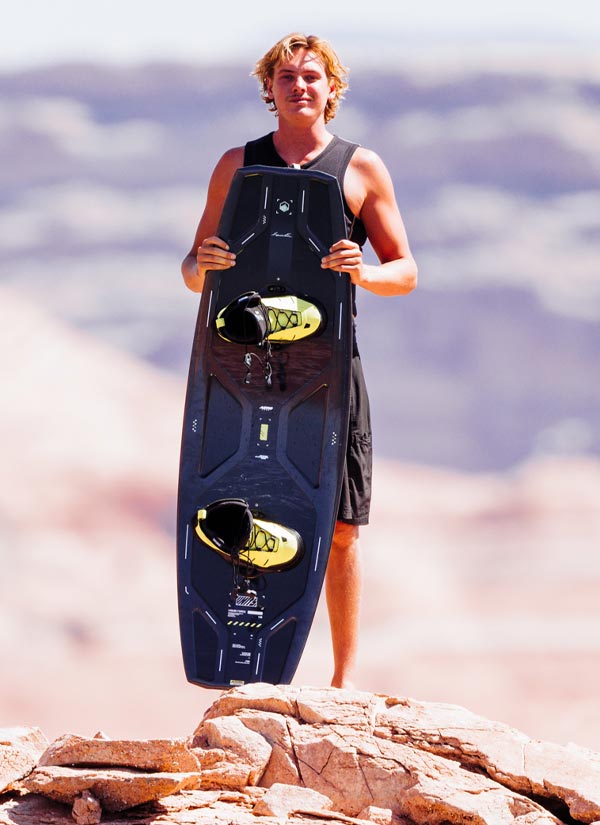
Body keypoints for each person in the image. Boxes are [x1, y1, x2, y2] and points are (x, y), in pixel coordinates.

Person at [181, 33, 417, 689]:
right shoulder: (238, 164)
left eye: (311, 76)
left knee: (339, 526)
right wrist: (202, 264)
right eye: (286, 77)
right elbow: (192, 270)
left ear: (332, 88)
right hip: (244, 364)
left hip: (327, 368)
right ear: (270, 89)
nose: (299, 86)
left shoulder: (360, 167)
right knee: (240, 506)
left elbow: (406, 271)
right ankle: (246, 657)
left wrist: (363, 273)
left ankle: (343, 680)